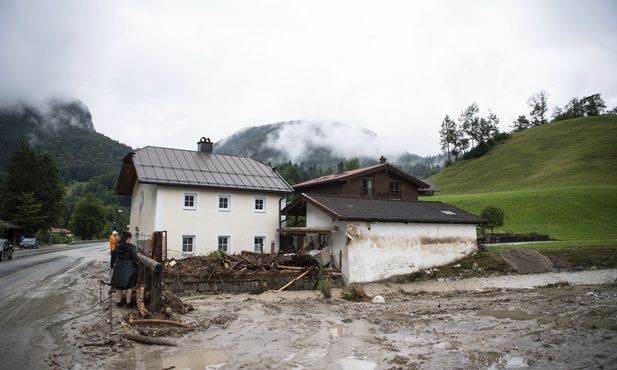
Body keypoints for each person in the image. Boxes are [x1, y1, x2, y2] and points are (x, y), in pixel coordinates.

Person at [110, 231, 140, 309]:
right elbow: (135, 258)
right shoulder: (131, 247)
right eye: (130, 238)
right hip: (129, 268)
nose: (130, 239)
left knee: (118, 286)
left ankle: (118, 302)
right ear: (128, 238)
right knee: (129, 286)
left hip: (119, 267)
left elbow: (115, 256)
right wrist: (138, 266)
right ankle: (128, 303)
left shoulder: (117, 246)